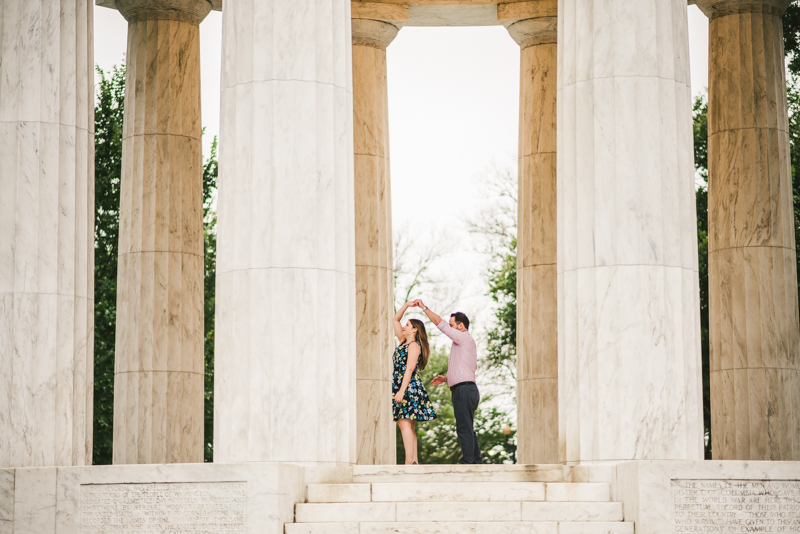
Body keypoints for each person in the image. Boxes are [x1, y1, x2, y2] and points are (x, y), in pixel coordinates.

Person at [415, 300, 482, 464]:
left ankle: (468, 461)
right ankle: (475, 460)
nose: (450, 329)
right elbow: (466, 370)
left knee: (463, 427)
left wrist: (424, 308)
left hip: (464, 391)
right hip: (468, 388)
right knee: (468, 426)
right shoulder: (465, 344)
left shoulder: (464, 338)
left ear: (461, 326)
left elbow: (440, 324)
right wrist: (446, 379)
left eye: (452, 325)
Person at [391, 300, 437, 465]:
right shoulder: (403, 341)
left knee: (404, 423)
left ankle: (409, 462)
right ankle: (413, 461)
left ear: (415, 329)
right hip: (401, 385)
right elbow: (395, 320)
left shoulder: (414, 346)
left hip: (408, 387)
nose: (404, 326)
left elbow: (409, 369)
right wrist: (407, 305)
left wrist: (401, 391)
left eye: (408, 325)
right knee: (407, 424)